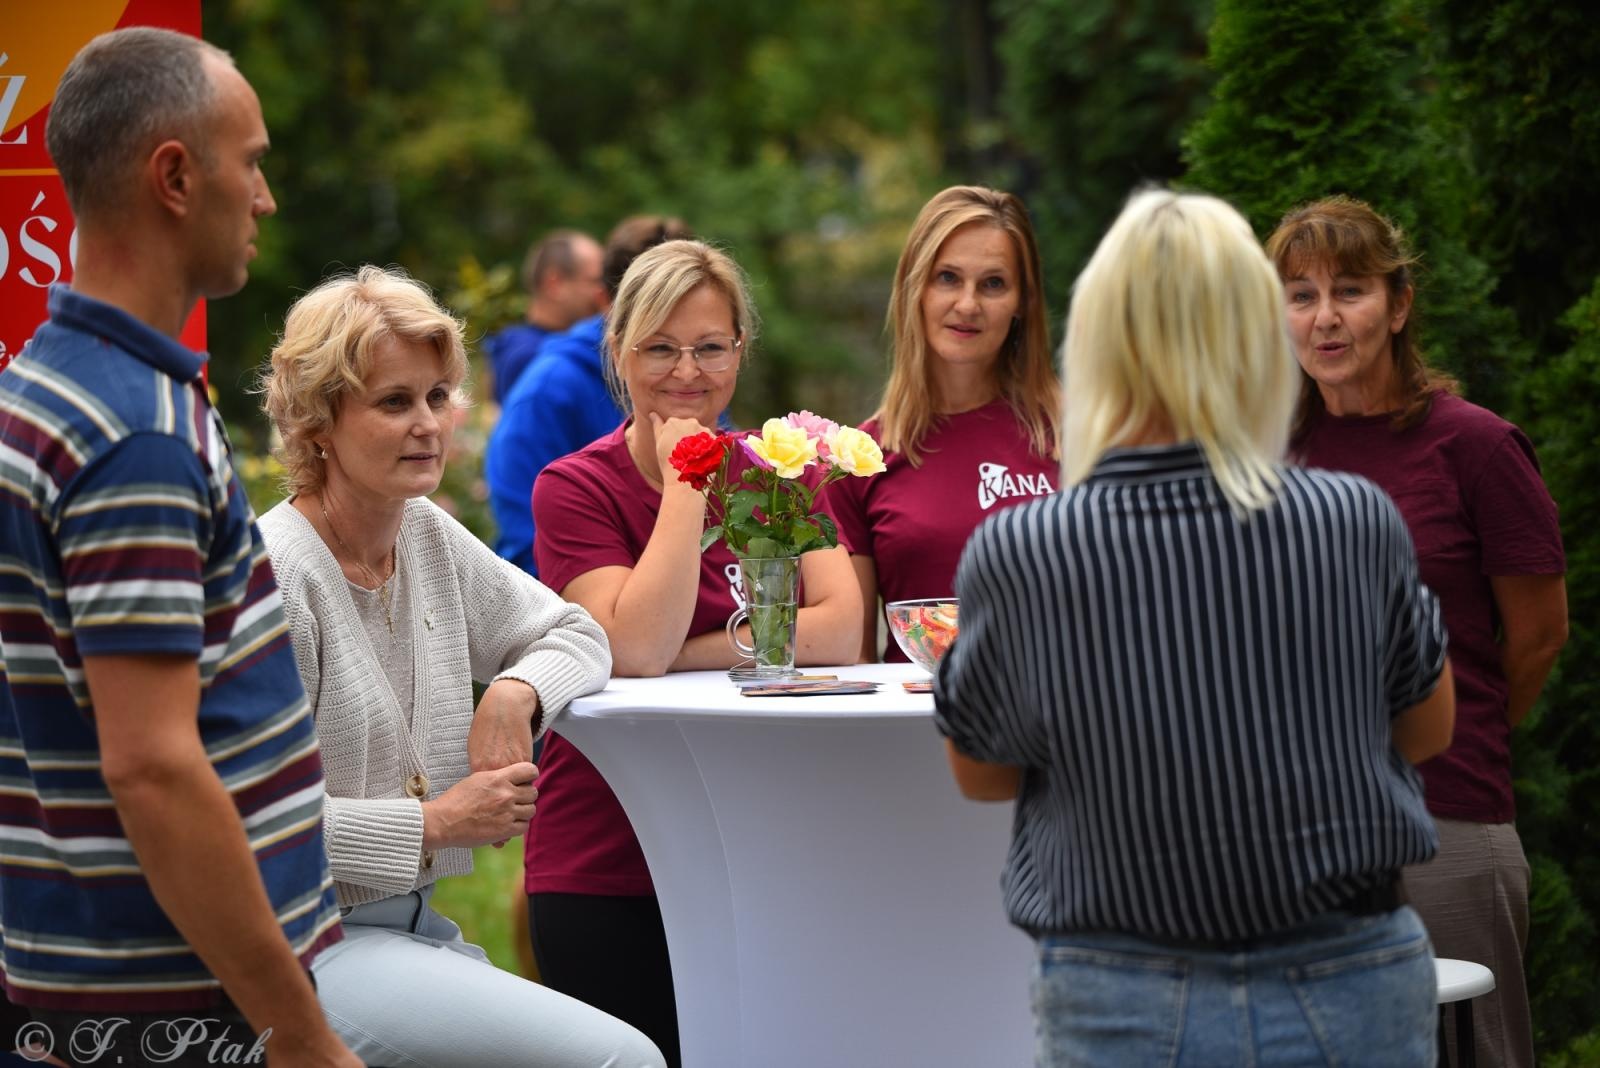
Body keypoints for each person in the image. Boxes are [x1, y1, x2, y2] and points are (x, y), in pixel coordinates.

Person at [934, 189, 1457, 1065]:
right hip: (1347, 975)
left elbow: (981, 772)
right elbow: (1429, 728)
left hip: (1120, 988)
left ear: (1097, 343)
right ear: (1254, 333)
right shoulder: (1350, 516)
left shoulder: (1023, 547)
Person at [0, 27, 358, 1066]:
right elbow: (152, 766)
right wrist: (299, 1033)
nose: (265, 199)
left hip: (91, 980)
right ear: (174, 176)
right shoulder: (134, 433)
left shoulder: (47, 383)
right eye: (250, 163)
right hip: (166, 999)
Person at [256, 265, 666, 1067]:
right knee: (624, 1059)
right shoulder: (276, 573)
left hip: (409, 932)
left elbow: (578, 631)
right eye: (394, 401)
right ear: (317, 422)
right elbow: (250, 830)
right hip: (300, 949)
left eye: (438, 396)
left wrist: (514, 689)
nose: (428, 425)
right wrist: (436, 824)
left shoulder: (421, 532)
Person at [527, 239, 862, 1065]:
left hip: (754, 855)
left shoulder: (778, 469)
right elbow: (636, 645)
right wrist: (686, 481)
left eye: (711, 347)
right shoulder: (575, 487)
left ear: (740, 352)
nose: (687, 372)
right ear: (618, 353)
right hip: (608, 860)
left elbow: (841, 632)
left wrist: (687, 650)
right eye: (660, 348)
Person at [1267, 195, 1568, 1068]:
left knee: (1470, 1052)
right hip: (1298, 831)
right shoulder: (1269, 456)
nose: (1325, 318)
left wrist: (1448, 736)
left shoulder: (1477, 448)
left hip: (1447, 818)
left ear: (1398, 306)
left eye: (1350, 290)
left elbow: (1538, 636)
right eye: (1301, 295)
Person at [827, 185, 1060, 663]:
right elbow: (855, 657)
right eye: (948, 278)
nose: (968, 304)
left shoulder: (1076, 436)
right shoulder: (860, 458)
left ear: (1022, 301)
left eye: (993, 283)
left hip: (1058, 707)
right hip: (916, 709)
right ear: (915, 288)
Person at [487, 215, 693, 573]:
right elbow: (524, 539)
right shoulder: (548, 390)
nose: (685, 370)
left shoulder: (699, 380)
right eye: (659, 345)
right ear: (608, 303)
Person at [485, 229, 606, 405]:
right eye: (594, 281)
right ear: (554, 284)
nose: (602, 292)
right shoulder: (530, 357)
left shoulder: (525, 349)